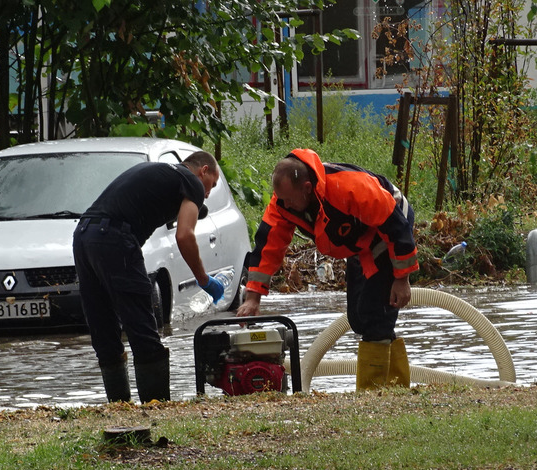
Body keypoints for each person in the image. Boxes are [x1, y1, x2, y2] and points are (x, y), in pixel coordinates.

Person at [236, 149, 419, 390]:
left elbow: (395, 225)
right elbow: (268, 246)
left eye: (289, 199)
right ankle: (395, 386)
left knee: (375, 314)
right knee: (358, 319)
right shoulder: (283, 202)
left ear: (307, 188)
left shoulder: (348, 186)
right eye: (280, 198)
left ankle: (375, 395)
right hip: (359, 244)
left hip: (390, 230)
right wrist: (253, 298)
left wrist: (401, 278)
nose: (285, 204)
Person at [73, 151, 225, 403]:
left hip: (83, 234)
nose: (207, 192)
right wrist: (203, 279)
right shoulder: (192, 182)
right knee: (142, 325)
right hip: (113, 237)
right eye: (212, 184)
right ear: (204, 170)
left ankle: (118, 408)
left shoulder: (163, 173)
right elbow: (185, 235)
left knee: (103, 326)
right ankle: (156, 406)